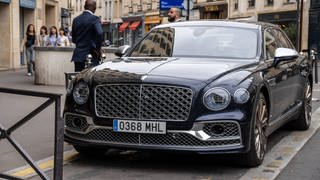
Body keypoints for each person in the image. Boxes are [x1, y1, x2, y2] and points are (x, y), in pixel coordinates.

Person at [71, 0, 104, 72]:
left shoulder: (76, 19)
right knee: (91, 79)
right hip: (91, 55)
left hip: (78, 55)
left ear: (84, 7)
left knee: (79, 78)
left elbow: (73, 39)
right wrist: (98, 49)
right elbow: (100, 33)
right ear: (95, 8)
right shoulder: (95, 18)